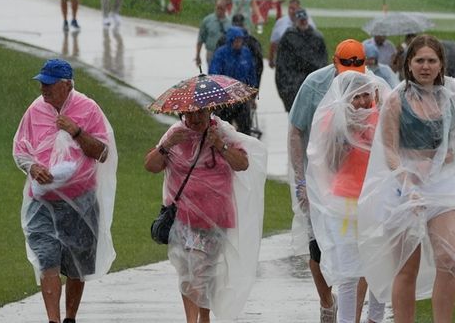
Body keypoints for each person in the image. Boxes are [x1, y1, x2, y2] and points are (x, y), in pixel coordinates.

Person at [355, 34, 455, 323]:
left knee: (448, 261)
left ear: (441, 64)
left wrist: (440, 158)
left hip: (442, 183)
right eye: (419, 60)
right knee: (407, 267)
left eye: (431, 60)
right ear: (409, 64)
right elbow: (390, 150)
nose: (425, 66)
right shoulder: (397, 99)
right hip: (403, 186)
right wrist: (409, 180)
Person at [13, 59, 118, 323]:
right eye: (41, 84)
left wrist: (77, 131)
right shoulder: (35, 110)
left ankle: (70, 317)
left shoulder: (88, 109)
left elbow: (103, 153)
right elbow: (20, 149)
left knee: (76, 265)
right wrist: (32, 167)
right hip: (42, 201)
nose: (43, 90)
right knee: (47, 260)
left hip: (80, 200)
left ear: (67, 84)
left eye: (49, 84)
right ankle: (53, 320)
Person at [144, 107, 266, 322]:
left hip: (216, 219)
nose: (195, 118)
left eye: (200, 113)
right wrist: (166, 145)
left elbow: (242, 164)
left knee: (204, 272)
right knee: (190, 271)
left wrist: (220, 144)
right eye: (189, 114)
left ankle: (204, 317)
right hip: (183, 219)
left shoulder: (222, 131)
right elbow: (151, 166)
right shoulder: (175, 134)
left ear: (210, 110)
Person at [288, 39, 368, 323]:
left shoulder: (372, 85)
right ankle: (326, 300)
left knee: (358, 254)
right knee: (318, 247)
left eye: (356, 68)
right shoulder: (315, 84)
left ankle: (353, 315)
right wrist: (300, 180)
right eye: (344, 67)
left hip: (355, 185)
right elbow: (296, 131)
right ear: (335, 62)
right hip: (317, 178)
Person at [306, 71, 390, 323]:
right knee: (349, 272)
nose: (363, 102)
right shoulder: (334, 119)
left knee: (379, 267)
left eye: (367, 95)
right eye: (357, 96)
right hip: (345, 203)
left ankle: (375, 319)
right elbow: (328, 164)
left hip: (377, 200)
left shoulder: (382, 116)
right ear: (345, 97)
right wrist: (345, 135)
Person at [275, 8, 328, 112]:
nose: (303, 22)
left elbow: (322, 62)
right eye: (301, 20)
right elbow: (282, 62)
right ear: (296, 21)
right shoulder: (289, 37)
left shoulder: (317, 38)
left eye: (305, 20)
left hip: (311, 82)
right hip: (293, 82)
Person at [209, 27, 258, 135]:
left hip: (242, 97)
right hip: (225, 99)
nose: (239, 43)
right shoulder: (220, 54)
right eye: (236, 40)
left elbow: (251, 73)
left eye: (241, 40)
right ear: (230, 40)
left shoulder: (245, 53)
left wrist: (253, 94)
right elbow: (214, 74)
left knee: (245, 127)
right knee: (224, 130)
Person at [269, 0, 318, 68]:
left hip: (304, 60)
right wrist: (271, 59)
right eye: (290, 8)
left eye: (294, 8)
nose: (291, 11)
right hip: (285, 61)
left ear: (299, 9)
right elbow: (274, 42)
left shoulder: (308, 22)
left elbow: (315, 41)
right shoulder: (281, 23)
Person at [195, 0, 230, 70]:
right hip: (211, 52)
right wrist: (198, 55)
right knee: (213, 74)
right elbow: (200, 39)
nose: (219, 10)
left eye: (222, 8)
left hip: (226, 54)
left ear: (225, 9)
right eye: (218, 8)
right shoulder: (207, 21)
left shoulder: (230, 22)